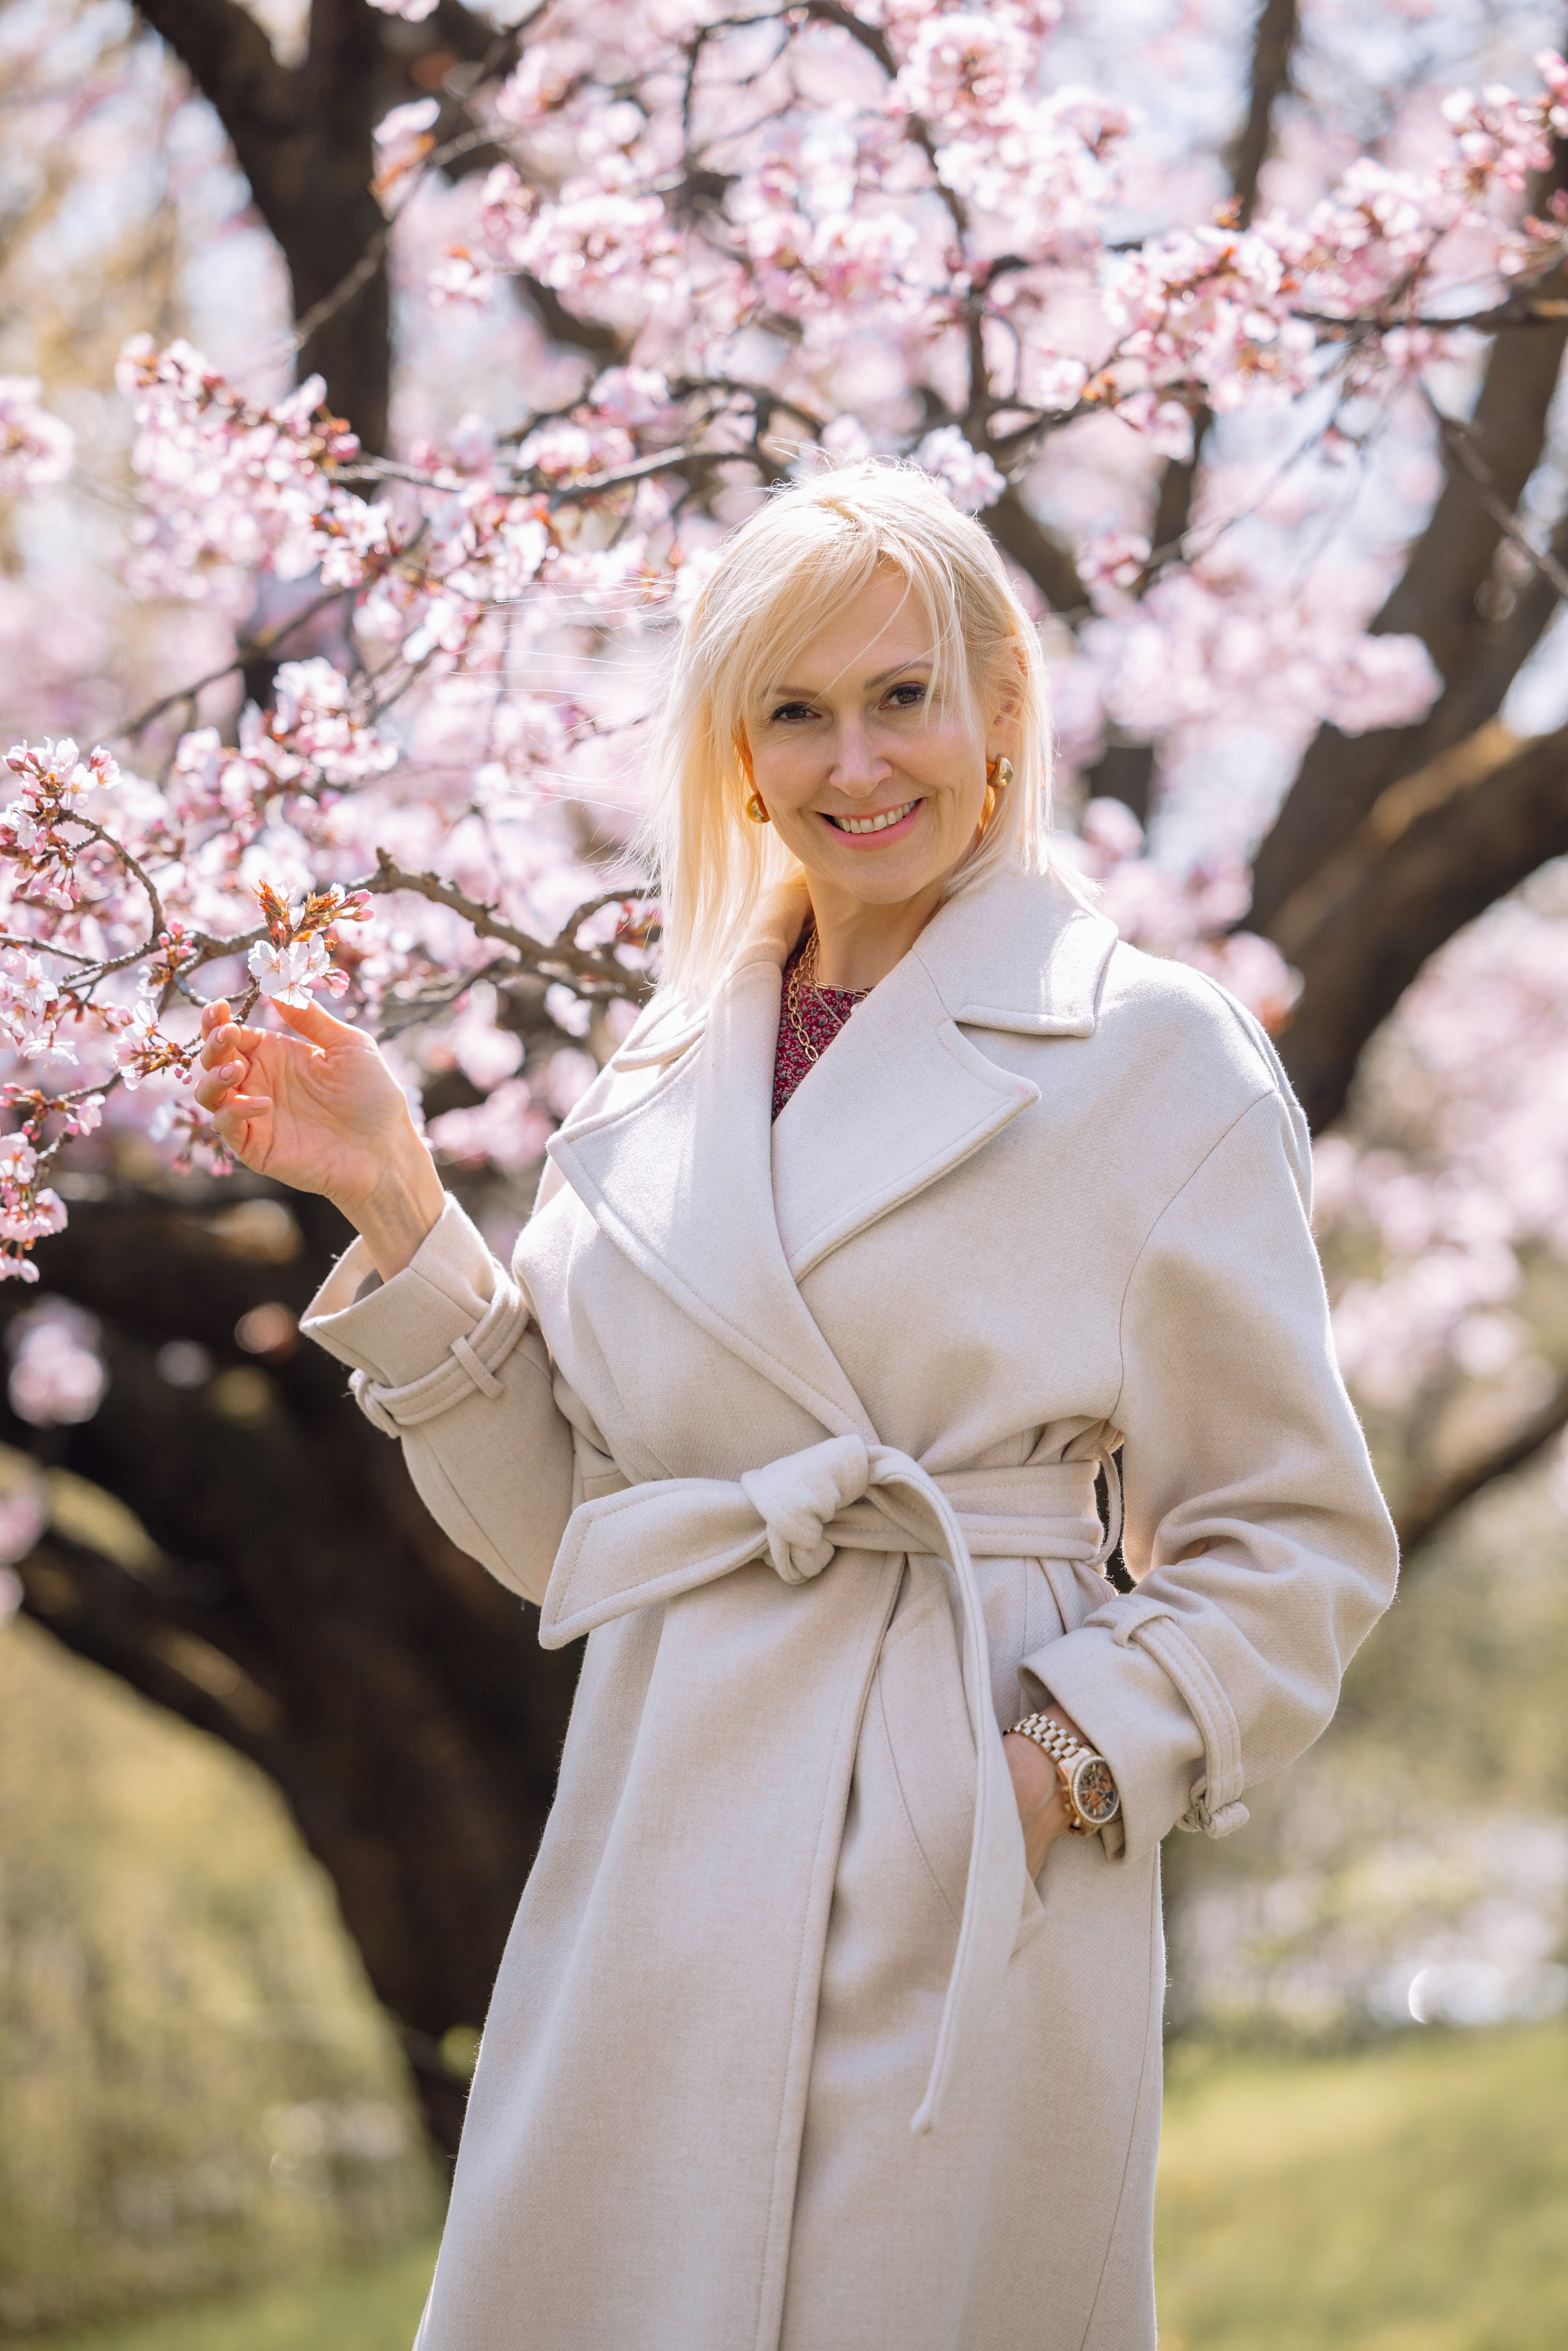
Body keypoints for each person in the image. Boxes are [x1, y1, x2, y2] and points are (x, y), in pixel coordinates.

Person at [195, 462, 1397, 2351]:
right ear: (736, 751)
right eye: (798, 710)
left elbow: (1295, 1545)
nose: (859, 764)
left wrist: (1055, 1771)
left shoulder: (1152, 1053)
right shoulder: (664, 1066)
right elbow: (579, 1531)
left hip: (970, 1842)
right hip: (659, 1847)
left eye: (903, 694)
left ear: (1002, 703)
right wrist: (399, 1208)